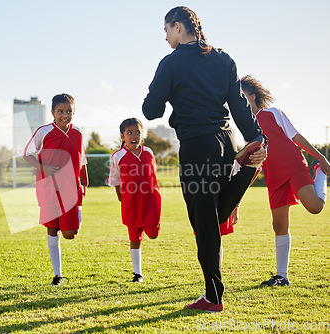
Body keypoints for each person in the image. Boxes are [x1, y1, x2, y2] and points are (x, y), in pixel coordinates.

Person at [142, 6, 267, 312]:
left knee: (204, 221)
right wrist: (258, 137)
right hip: (226, 143)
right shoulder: (224, 59)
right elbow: (239, 107)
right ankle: (245, 175)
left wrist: (158, 94)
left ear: (178, 26)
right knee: (211, 216)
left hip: (197, 145)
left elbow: (150, 111)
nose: (165, 36)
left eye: (166, 30)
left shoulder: (170, 63)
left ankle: (213, 297)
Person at [241, 75, 329, 286]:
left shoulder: (272, 114)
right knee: (279, 225)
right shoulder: (246, 129)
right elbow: (249, 163)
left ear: (252, 97)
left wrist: (321, 157)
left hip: (293, 166)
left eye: (241, 95)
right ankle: (282, 277)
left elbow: (296, 137)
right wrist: (237, 199)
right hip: (274, 177)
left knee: (315, 207)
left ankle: (321, 174)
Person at [23, 93, 88, 286]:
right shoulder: (44, 132)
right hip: (49, 187)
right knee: (53, 229)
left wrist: (85, 180)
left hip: (71, 188)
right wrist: (45, 168)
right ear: (53, 112)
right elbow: (27, 154)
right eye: (60, 111)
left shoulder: (78, 132)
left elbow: (82, 159)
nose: (65, 115)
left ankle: (76, 214)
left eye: (69, 111)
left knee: (69, 233)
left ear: (73, 112)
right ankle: (57, 275)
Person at [108, 118, 161, 283]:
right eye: (130, 133)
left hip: (151, 201)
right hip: (131, 203)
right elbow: (115, 181)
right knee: (134, 238)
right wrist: (123, 200)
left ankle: (147, 225)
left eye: (138, 132)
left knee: (153, 234)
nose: (134, 136)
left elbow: (153, 174)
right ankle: (137, 273)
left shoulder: (149, 152)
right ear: (122, 136)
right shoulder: (118, 156)